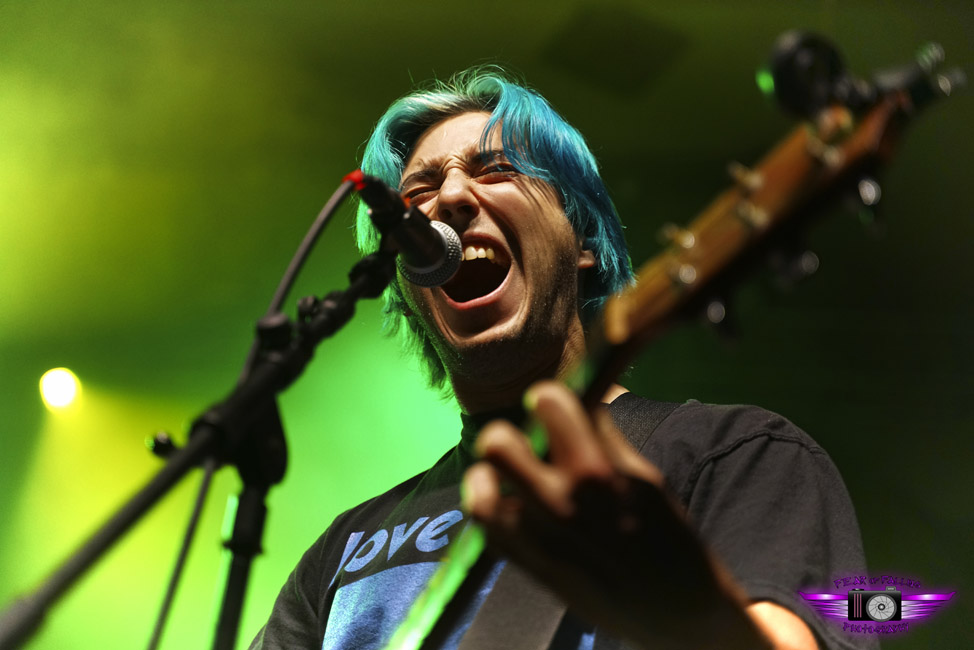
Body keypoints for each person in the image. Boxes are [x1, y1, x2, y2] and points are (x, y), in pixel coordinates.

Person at [250, 67, 872, 650]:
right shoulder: (346, 546)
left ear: (585, 243)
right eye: (421, 188)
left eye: (495, 169)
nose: (452, 197)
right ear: (408, 287)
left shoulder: (733, 455)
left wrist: (686, 606)